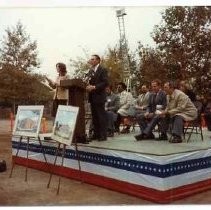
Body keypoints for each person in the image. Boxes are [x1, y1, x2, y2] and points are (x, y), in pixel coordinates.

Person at [86, 54, 109, 141]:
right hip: (92, 96)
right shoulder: (90, 70)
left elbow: (105, 82)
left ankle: (103, 135)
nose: (91, 61)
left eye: (92, 59)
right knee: (95, 117)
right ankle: (96, 134)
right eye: (90, 59)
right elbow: (87, 80)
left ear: (98, 60)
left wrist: (94, 87)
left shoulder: (103, 70)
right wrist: (87, 86)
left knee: (101, 116)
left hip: (99, 96)